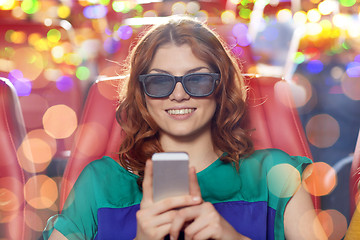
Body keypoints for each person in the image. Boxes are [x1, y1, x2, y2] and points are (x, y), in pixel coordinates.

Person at [43, 16, 326, 240]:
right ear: (141, 94)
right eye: (159, 82)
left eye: (198, 80)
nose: (178, 95)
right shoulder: (100, 182)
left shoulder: (275, 174)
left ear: (221, 87)